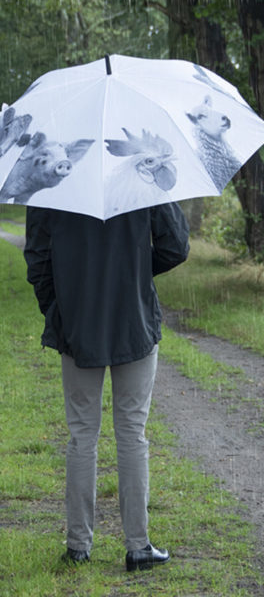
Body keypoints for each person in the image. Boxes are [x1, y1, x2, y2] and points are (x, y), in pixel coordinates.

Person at [24, 203, 190, 572]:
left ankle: (78, 546)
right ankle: (138, 547)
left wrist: (61, 305)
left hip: (77, 321)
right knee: (132, 432)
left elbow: (37, 260)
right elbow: (176, 246)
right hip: (134, 318)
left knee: (82, 434)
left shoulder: (52, 184)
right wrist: (132, 272)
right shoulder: (141, 173)